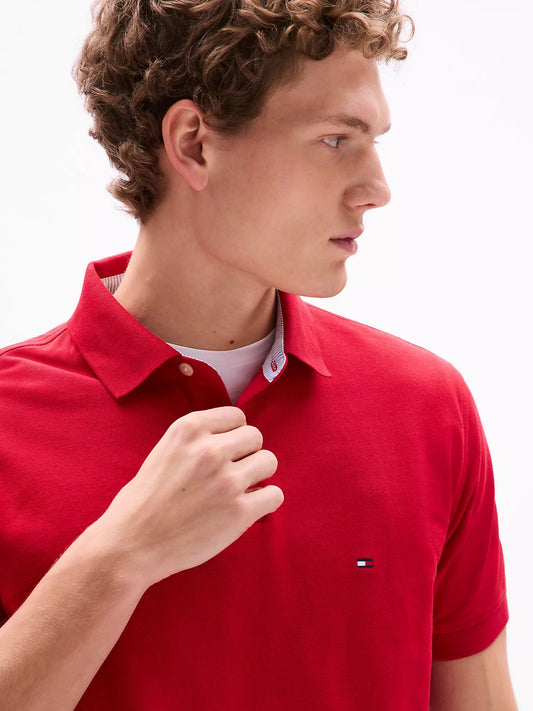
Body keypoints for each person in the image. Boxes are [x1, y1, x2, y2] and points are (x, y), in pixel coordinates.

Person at [0, 0, 518, 709]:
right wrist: (121, 556)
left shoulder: (428, 408)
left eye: (373, 142)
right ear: (194, 145)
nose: (377, 190)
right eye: (335, 139)